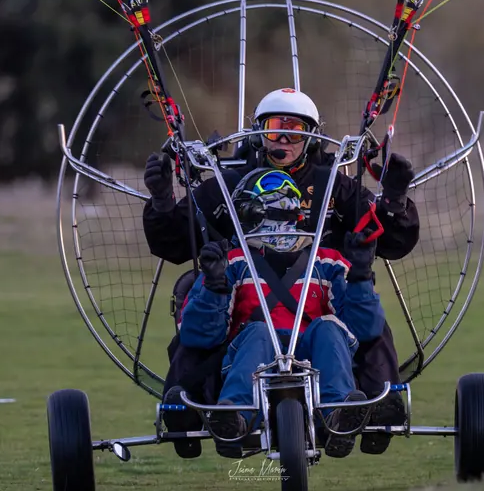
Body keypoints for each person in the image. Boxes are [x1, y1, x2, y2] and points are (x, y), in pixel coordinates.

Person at [145, 87, 420, 457]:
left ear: (310, 138)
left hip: (320, 310)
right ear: (259, 133)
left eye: (296, 131)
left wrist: (394, 201)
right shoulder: (228, 189)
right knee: (214, 312)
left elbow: (390, 242)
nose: (285, 140)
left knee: (348, 321)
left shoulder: (333, 188)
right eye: (276, 129)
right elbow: (174, 244)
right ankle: (201, 411)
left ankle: (367, 406)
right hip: (245, 323)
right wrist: (164, 201)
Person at [175, 168, 386, 459]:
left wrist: (361, 275)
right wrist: (214, 285)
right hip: (253, 354)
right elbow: (198, 336)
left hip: (314, 355)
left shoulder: (328, 262)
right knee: (259, 331)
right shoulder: (232, 263)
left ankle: (338, 416)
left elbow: (364, 330)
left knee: (329, 327)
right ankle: (234, 418)